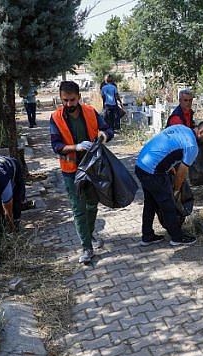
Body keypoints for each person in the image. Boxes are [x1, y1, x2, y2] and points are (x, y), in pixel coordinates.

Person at [50, 80, 114, 264]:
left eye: (72, 100)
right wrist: (76, 147)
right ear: (61, 99)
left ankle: (90, 234)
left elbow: (108, 130)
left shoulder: (90, 112)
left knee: (92, 205)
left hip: (92, 167)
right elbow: (56, 146)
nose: (69, 104)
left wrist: (102, 136)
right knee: (78, 209)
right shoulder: (56, 118)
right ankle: (86, 247)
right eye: (65, 100)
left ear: (79, 97)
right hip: (71, 170)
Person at [134, 121, 203, 246]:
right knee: (168, 204)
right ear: (201, 132)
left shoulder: (182, 128)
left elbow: (168, 148)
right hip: (153, 172)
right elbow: (181, 173)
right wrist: (176, 190)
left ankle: (147, 236)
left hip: (141, 165)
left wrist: (169, 167)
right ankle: (177, 237)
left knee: (150, 203)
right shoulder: (192, 146)